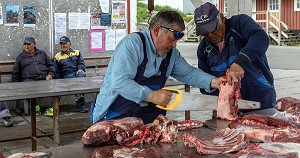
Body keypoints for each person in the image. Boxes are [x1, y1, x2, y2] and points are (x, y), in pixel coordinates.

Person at [92, 10, 225, 125]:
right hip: (113, 117)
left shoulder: (171, 54)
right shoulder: (132, 45)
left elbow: (189, 73)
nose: (174, 45)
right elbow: (119, 82)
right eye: (172, 39)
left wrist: (215, 82)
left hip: (146, 120)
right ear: (156, 30)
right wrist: (151, 95)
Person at [194, 2, 276, 111]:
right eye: (204, 32)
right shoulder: (203, 48)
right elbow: (205, 83)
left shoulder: (239, 24)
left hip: (261, 100)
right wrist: (218, 104)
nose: (209, 35)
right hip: (229, 108)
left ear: (222, 18)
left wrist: (240, 63)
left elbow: (261, 38)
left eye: (213, 29)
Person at [12, 36, 55, 115]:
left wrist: (50, 74)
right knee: (27, 86)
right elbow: (15, 72)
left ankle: (51, 108)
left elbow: (51, 66)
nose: (26, 46)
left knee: (58, 86)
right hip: (30, 80)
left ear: (34, 45)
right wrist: (16, 86)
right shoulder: (20, 57)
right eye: (25, 44)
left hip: (45, 79)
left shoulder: (42, 54)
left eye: (28, 44)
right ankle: (35, 107)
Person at [53, 36, 89, 113]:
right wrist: (58, 81)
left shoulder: (77, 52)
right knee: (79, 82)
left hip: (78, 74)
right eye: (61, 44)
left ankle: (80, 101)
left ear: (70, 44)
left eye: (65, 44)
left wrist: (80, 69)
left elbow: (81, 63)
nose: (63, 46)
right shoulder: (58, 56)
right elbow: (57, 71)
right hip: (67, 76)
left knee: (81, 76)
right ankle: (81, 106)